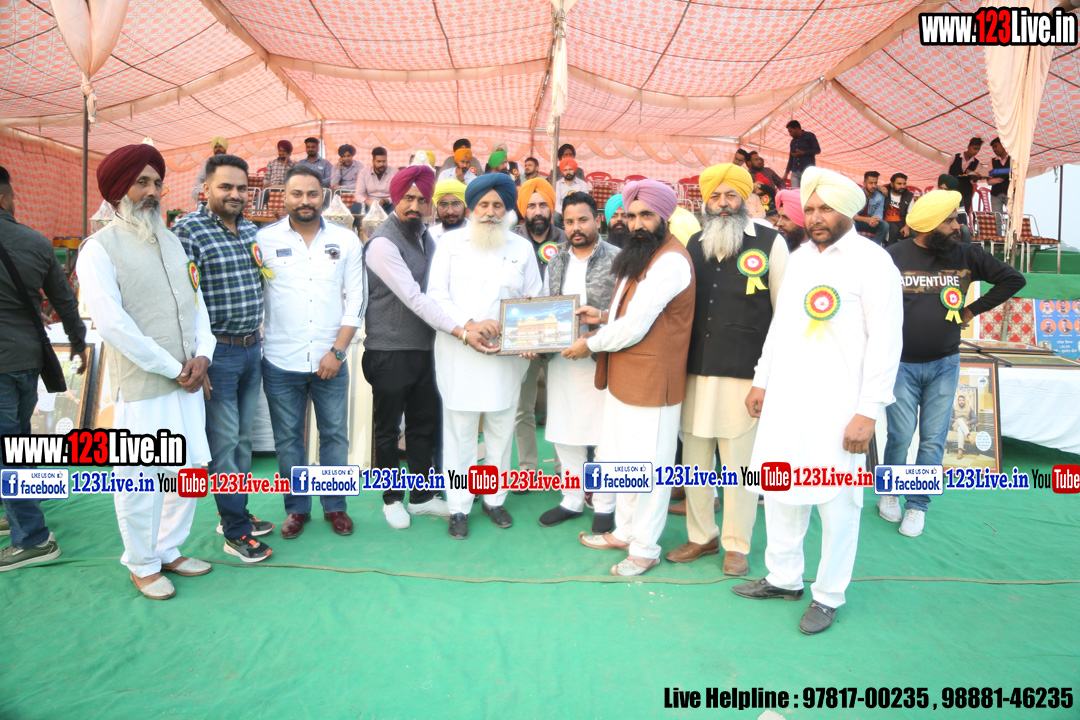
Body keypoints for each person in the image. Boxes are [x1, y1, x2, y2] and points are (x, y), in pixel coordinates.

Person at [732, 166, 903, 635]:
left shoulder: (874, 263)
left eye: (825, 208)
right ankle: (783, 578)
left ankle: (828, 595)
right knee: (781, 491)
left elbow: (887, 343)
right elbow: (781, 325)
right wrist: (761, 379)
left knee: (838, 504)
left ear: (848, 211)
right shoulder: (800, 258)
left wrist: (868, 411)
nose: (815, 217)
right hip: (787, 400)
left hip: (841, 407)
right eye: (809, 209)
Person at [76, 144, 216, 599]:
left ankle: (167, 549)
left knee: (189, 470)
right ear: (119, 190)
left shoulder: (172, 241)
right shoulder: (98, 249)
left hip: (188, 382)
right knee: (142, 479)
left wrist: (204, 355)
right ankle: (141, 563)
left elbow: (197, 306)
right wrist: (174, 367)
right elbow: (114, 326)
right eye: (142, 182)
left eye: (157, 182)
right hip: (144, 388)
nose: (152, 192)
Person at [881, 189, 1025, 537]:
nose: (956, 226)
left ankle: (917, 506)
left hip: (944, 363)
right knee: (899, 435)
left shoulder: (966, 254)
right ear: (930, 224)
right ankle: (889, 493)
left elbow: (1013, 279)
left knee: (932, 439)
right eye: (949, 221)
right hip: (900, 364)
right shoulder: (892, 256)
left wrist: (971, 310)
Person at [667, 164, 789, 576]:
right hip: (695, 372)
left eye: (730, 196)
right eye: (715, 197)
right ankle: (702, 536)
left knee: (740, 466)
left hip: (745, 377)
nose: (722, 204)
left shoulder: (771, 243)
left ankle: (737, 545)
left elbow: (785, 316)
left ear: (745, 198)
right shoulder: (695, 242)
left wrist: (766, 381)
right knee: (694, 462)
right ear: (705, 201)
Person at [572, 180, 695, 577]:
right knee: (623, 460)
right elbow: (628, 312)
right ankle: (625, 532)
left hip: (654, 381)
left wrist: (590, 344)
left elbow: (636, 324)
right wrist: (601, 316)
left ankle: (645, 548)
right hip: (625, 375)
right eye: (631, 215)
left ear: (665, 217)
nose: (637, 223)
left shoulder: (671, 261)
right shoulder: (641, 254)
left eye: (646, 215)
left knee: (650, 469)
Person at [428, 173, 542, 539]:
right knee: (460, 433)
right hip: (460, 352)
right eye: (483, 205)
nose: (491, 212)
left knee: (500, 429)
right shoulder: (449, 243)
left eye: (498, 205)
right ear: (471, 208)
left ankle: (494, 499)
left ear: (508, 209)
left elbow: (534, 299)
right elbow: (436, 296)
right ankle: (459, 506)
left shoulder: (521, 248)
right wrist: (470, 325)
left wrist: (527, 335)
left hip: (505, 358)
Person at [173, 154, 274, 563]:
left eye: (241, 188)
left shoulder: (249, 228)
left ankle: (236, 514)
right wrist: (199, 357)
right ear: (206, 189)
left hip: (251, 348)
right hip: (218, 353)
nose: (235, 194)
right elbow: (182, 301)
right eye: (225, 187)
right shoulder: (188, 230)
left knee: (243, 440)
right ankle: (235, 531)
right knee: (225, 443)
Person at [258, 166, 367, 540]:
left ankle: (335, 506)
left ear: (324, 196)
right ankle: (297, 509)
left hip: (330, 360)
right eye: (297, 194)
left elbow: (357, 299)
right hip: (279, 360)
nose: (305, 201)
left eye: (312, 194)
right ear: (284, 197)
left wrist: (337, 352)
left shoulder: (346, 240)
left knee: (334, 435)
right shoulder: (263, 240)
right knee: (288, 439)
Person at [366, 166, 476, 529]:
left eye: (422, 199)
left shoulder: (426, 237)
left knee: (423, 425)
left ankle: (422, 496)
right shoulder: (382, 244)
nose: (415, 206)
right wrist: (460, 330)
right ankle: (391, 499)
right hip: (390, 351)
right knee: (387, 430)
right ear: (395, 198)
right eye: (408, 198)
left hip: (427, 350)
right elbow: (414, 297)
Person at [0, 167, 87, 572]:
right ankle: (17, 514)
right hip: (28, 358)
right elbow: (65, 299)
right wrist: (79, 343)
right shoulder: (35, 242)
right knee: (17, 441)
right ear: (5, 198)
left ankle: (33, 539)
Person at [531, 191, 619, 531]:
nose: (575, 228)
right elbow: (545, 305)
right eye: (568, 222)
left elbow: (627, 313)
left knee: (605, 436)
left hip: (603, 359)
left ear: (598, 220)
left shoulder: (618, 259)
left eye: (582, 220)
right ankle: (571, 499)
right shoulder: (556, 261)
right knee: (566, 432)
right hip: (564, 360)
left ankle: (605, 504)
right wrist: (532, 335)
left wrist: (596, 333)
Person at [513, 178, 567, 483]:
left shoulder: (567, 239)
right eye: (531, 205)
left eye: (543, 205)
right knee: (523, 407)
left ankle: (564, 470)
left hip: (560, 335)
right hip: (523, 337)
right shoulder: (511, 241)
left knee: (562, 404)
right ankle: (527, 469)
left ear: (551, 208)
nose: (537, 211)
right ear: (523, 209)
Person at [948, 137, 983, 219]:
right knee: (950, 214)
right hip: (953, 190)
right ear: (968, 146)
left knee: (963, 214)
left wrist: (975, 178)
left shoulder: (976, 162)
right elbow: (945, 172)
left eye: (978, 149)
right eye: (975, 148)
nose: (976, 151)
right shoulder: (955, 157)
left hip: (966, 192)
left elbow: (972, 182)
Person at [356, 146, 399, 212]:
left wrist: (385, 201)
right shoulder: (364, 172)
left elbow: (397, 194)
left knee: (397, 208)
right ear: (373, 161)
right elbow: (358, 194)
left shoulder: (395, 172)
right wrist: (368, 202)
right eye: (379, 161)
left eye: (384, 161)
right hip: (370, 204)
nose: (382, 164)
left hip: (388, 204)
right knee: (355, 208)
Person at [782, 120, 820, 188]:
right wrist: (786, 174)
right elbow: (791, 158)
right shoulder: (793, 142)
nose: (790, 134)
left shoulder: (809, 136)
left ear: (797, 128)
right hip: (795, 172)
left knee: (806, 191)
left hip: (807, 171)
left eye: (790, 131)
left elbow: (817, 150)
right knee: (795, 192)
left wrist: (804, 153)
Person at [854, 171, 887, 246]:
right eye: (871, 183)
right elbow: (851, 214)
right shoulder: (857, 194)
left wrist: (874, 221)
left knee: (885, 225)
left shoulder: (880, 196)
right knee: (851, 222)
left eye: (875, 183)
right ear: (864, 183)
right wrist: (867, 219)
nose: (873, 186)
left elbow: (879, 214)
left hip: (871, 223)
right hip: (857, 222)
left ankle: (874, 247)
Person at [883, 173, 915, 245]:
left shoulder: (908, 196)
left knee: (915, 232)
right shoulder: (885, 192)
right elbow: (874, 186)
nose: (902, 186)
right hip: (886, 221)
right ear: (892, 184)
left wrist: (906, 227)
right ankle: (890, 249)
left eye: (904, 184)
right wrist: (879, 187)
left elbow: (910, 214)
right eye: (899, 184)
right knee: (893, 229)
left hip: (902, 222)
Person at [988, 137, 1011, 233]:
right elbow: (989, 181)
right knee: (996, 220)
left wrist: (998, 175)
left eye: (996, 146)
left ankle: (1013, 240)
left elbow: (1018, 174)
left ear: (1003, 145)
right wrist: (1001, 178)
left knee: (1013, 218)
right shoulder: (992, 161)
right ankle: (998, 240)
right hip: (995, 194)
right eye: (993, 148)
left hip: (1010, 193)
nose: (994, 149)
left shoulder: (1013, 159)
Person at [950, 394, 976, 458]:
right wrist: (955, 420)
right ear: (958, 401)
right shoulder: (954, 408)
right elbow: (949, 418)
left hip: (965, 427)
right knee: (960, 420)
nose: (961, 401)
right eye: (960, 400)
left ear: (965, 401)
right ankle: (969, 436)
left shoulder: (969, 408)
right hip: (956, 425)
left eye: (962, 400)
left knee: (960, 429)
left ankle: (960, 451)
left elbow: (976, 419)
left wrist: (968, 422)